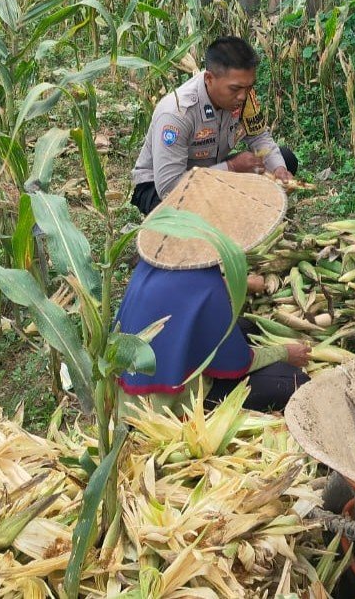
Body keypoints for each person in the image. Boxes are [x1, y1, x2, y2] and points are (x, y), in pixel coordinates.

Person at [117, 167, 310, 416]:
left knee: (246, 327)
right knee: (291, 380)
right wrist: (284, 353)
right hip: (163, 401)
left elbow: (186, 296)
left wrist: (241, 283)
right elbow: (237, 363)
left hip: (129, 378)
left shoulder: (155, 260)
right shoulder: (207, 285)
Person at [130, 36, 298, 216]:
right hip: (159, 187)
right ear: (209, 79)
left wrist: (279, 169)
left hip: (213, 171)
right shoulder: (177, 113)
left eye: (249, 87)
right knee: (190, 215)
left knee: (285, 159)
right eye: (235, 89)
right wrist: (231, 167)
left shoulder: (243, 96)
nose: (243, 96)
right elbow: (169, 188)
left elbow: (259, 136)